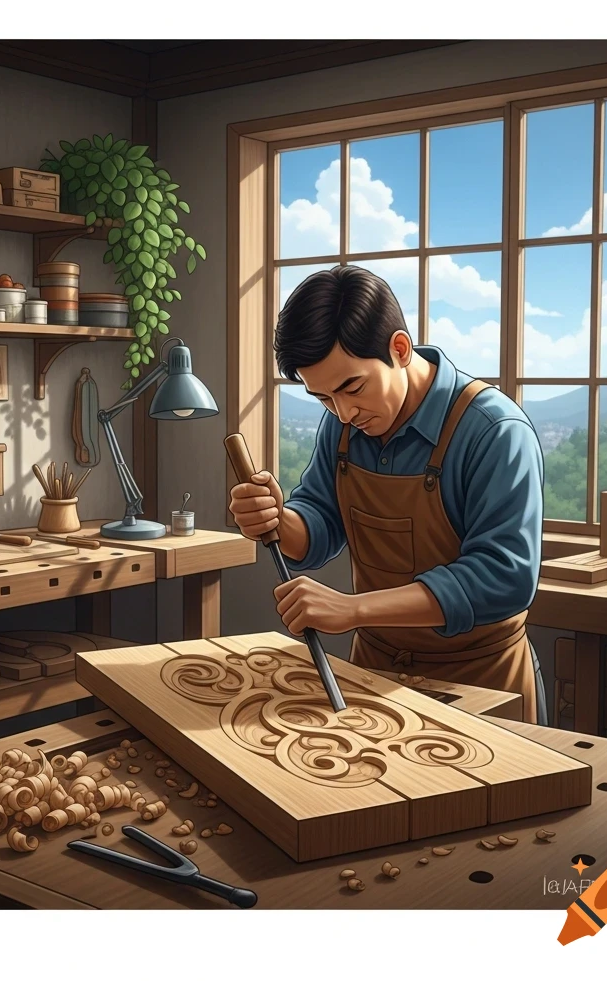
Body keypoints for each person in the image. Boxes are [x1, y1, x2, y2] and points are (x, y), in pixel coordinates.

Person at [228, 266, 547, 723]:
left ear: (399, 348)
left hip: (482, 684)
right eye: (323, 399)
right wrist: (277, 518)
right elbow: (319, 525)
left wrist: (354, 609)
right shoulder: (343, 422)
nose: (342, 411)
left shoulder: (494, 432)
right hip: (374, 678)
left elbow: (504, 578)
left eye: (352, 387)